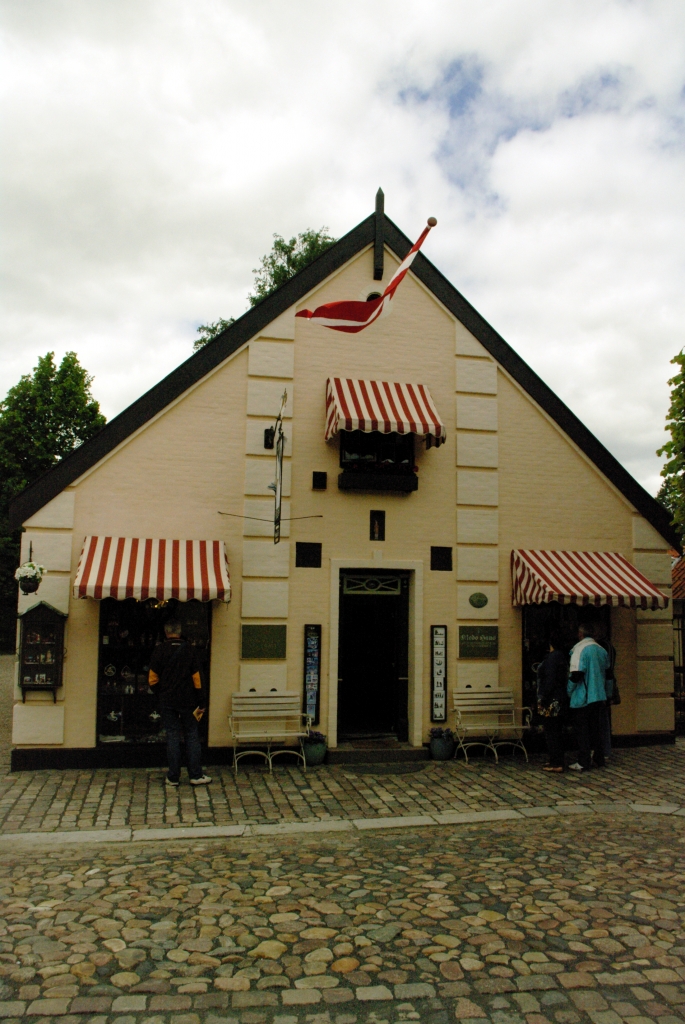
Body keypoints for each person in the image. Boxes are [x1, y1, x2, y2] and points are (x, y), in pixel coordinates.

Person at [149, 619, 211, 787]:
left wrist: (161, 693)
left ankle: (173, 777)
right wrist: (201, 701)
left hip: (167, 701)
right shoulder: (190, 650)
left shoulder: (159, 650)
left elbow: (152, 679)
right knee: (191, 735)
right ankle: (195, 775)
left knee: (172, 735)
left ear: (166, 632)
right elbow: (198, 679)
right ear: (180, 631)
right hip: (188, 701)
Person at [567, 622, 609, 771]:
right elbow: (609, 673)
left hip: (583, 697)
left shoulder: (579, 649)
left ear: (580, 634)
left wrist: (568, 691)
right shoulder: (602, 650)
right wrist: (608, 693)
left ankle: (583, 762)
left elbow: (576, 674)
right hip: (599, 696)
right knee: (596, 729)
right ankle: (599, 758)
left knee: (582, 731)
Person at [536, 629, 569, 772]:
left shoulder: (552, 658)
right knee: (557, 731)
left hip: (552, 701)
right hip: (560, 698)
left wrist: (543, 697)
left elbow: (549, 680)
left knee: (551, 731)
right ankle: (557, 760)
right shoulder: (562, 656)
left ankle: (556, 763)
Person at [594, 621, 616, 761]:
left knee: (602, 721)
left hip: (601, 688)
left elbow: (609, 671)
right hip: (602, 688)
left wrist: (608, 693)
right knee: (602, 720)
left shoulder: (604, 647)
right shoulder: (603, 646)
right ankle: (603, 750)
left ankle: (604, 750)